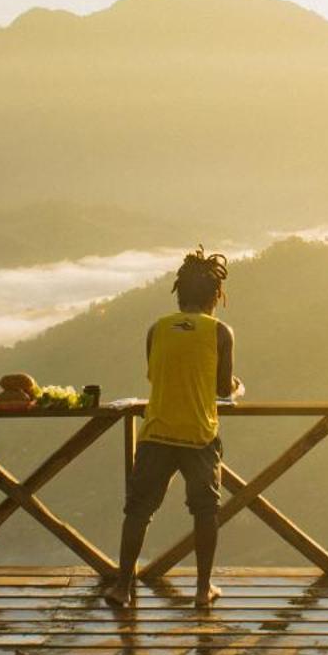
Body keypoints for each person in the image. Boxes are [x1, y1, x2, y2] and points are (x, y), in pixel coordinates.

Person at [104, 247, 239, 608]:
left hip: (157, 431)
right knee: (205, 512)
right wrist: (236, 386)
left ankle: (122, 588)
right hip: (198, 433)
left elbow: (158, 375)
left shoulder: (156, 330)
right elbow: (222, 390)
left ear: (179, 295)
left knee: (138, 511)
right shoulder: (220, 333)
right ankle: (201, 590)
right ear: (215, 297)